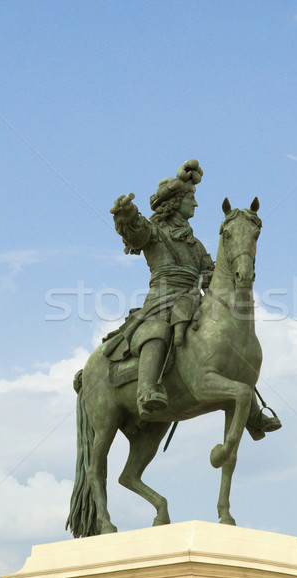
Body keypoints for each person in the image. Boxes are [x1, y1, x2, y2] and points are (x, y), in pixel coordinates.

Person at [109, 159, 214, 417]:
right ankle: (146, 391)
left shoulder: (197, 245)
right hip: (162, 299)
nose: (196, 204)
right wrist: (127, 214)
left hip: (193, 300)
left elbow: (211, 275)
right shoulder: (155, 231)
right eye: (190, 198)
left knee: (226, 333)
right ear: (175, 202)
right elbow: (136, 233)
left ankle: (253, 412)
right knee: (156, 330)